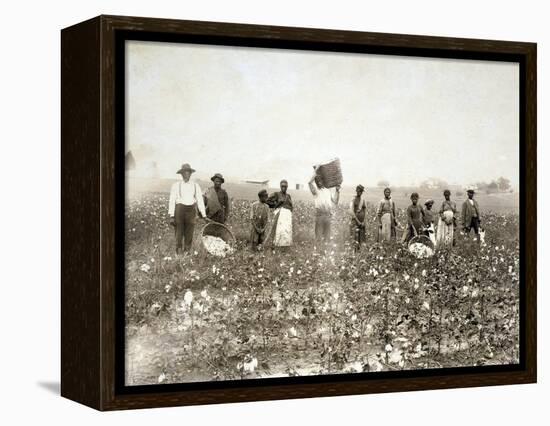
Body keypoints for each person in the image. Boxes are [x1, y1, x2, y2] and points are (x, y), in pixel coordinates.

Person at [168, 163, 206, 254]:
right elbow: (172, 200)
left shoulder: (195, 186)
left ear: (190, 174)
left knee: (190, 231)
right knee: (179, 231)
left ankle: (187, 251)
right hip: (179, 210)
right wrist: (171, 215)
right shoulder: (176, 185)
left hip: (191, 210)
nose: (187, 174)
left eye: (188, 172)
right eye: (185, 172)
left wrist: (203, 214)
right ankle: (179, 251)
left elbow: (200, 200)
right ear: (181, 174)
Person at [308, 167, 340, 245]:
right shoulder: (316, 191)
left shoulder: (328, 191)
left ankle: (325, 255)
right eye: (317, 181)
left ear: (323, 180)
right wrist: (316, 171)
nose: (319, 182)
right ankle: (318, 254)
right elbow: (309, 183)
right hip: (320, 215)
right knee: (319, 238)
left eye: (320, 180)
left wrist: (337, 191)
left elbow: (335, 201)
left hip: (328, 216)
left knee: (327, 238)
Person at [266, 180, 293, 248]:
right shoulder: (276, 194)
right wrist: (276, 205)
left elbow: (291, 205)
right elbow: (267, 201)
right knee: (278, 230)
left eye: (285, 186)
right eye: (282, 186)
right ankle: (276, 245)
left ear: (287, 187)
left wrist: (289, 210)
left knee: (286, 231)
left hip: (287, 217)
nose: (284, 187)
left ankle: (285, 246)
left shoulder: (288, 196)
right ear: (280, 186)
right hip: (280, 216)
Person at [349, 184, 367, 250]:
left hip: (362, 222)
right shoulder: (353, 199)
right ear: (356, 190)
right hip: (355, 220)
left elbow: (364, 210)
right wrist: (358, 221)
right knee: (355, 237)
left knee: (361, 237)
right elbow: (351, 211)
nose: (360, 192)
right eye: (359, 191)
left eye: (361, 191)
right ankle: (354, 251)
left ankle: (360, 251)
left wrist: (363, 221)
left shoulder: (363, 200)